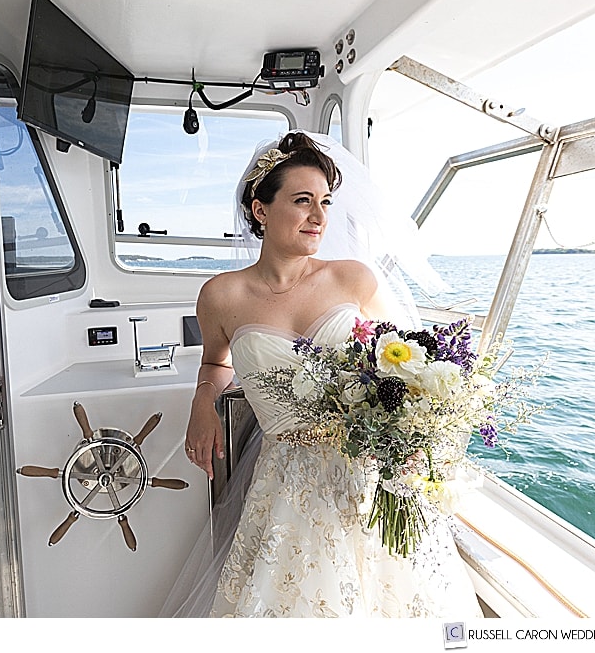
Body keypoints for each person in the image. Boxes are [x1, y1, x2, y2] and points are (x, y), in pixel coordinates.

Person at [162, 131, 481, 618]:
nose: (319, 217)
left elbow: (408, 365)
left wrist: (414, 439)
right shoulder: (221, 296)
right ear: (260, 209)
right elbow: (215, 362)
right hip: (285, 481)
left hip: (367, 476)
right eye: (302, 200)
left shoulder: (353, 278)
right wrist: (201, 402)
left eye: (326, 202)